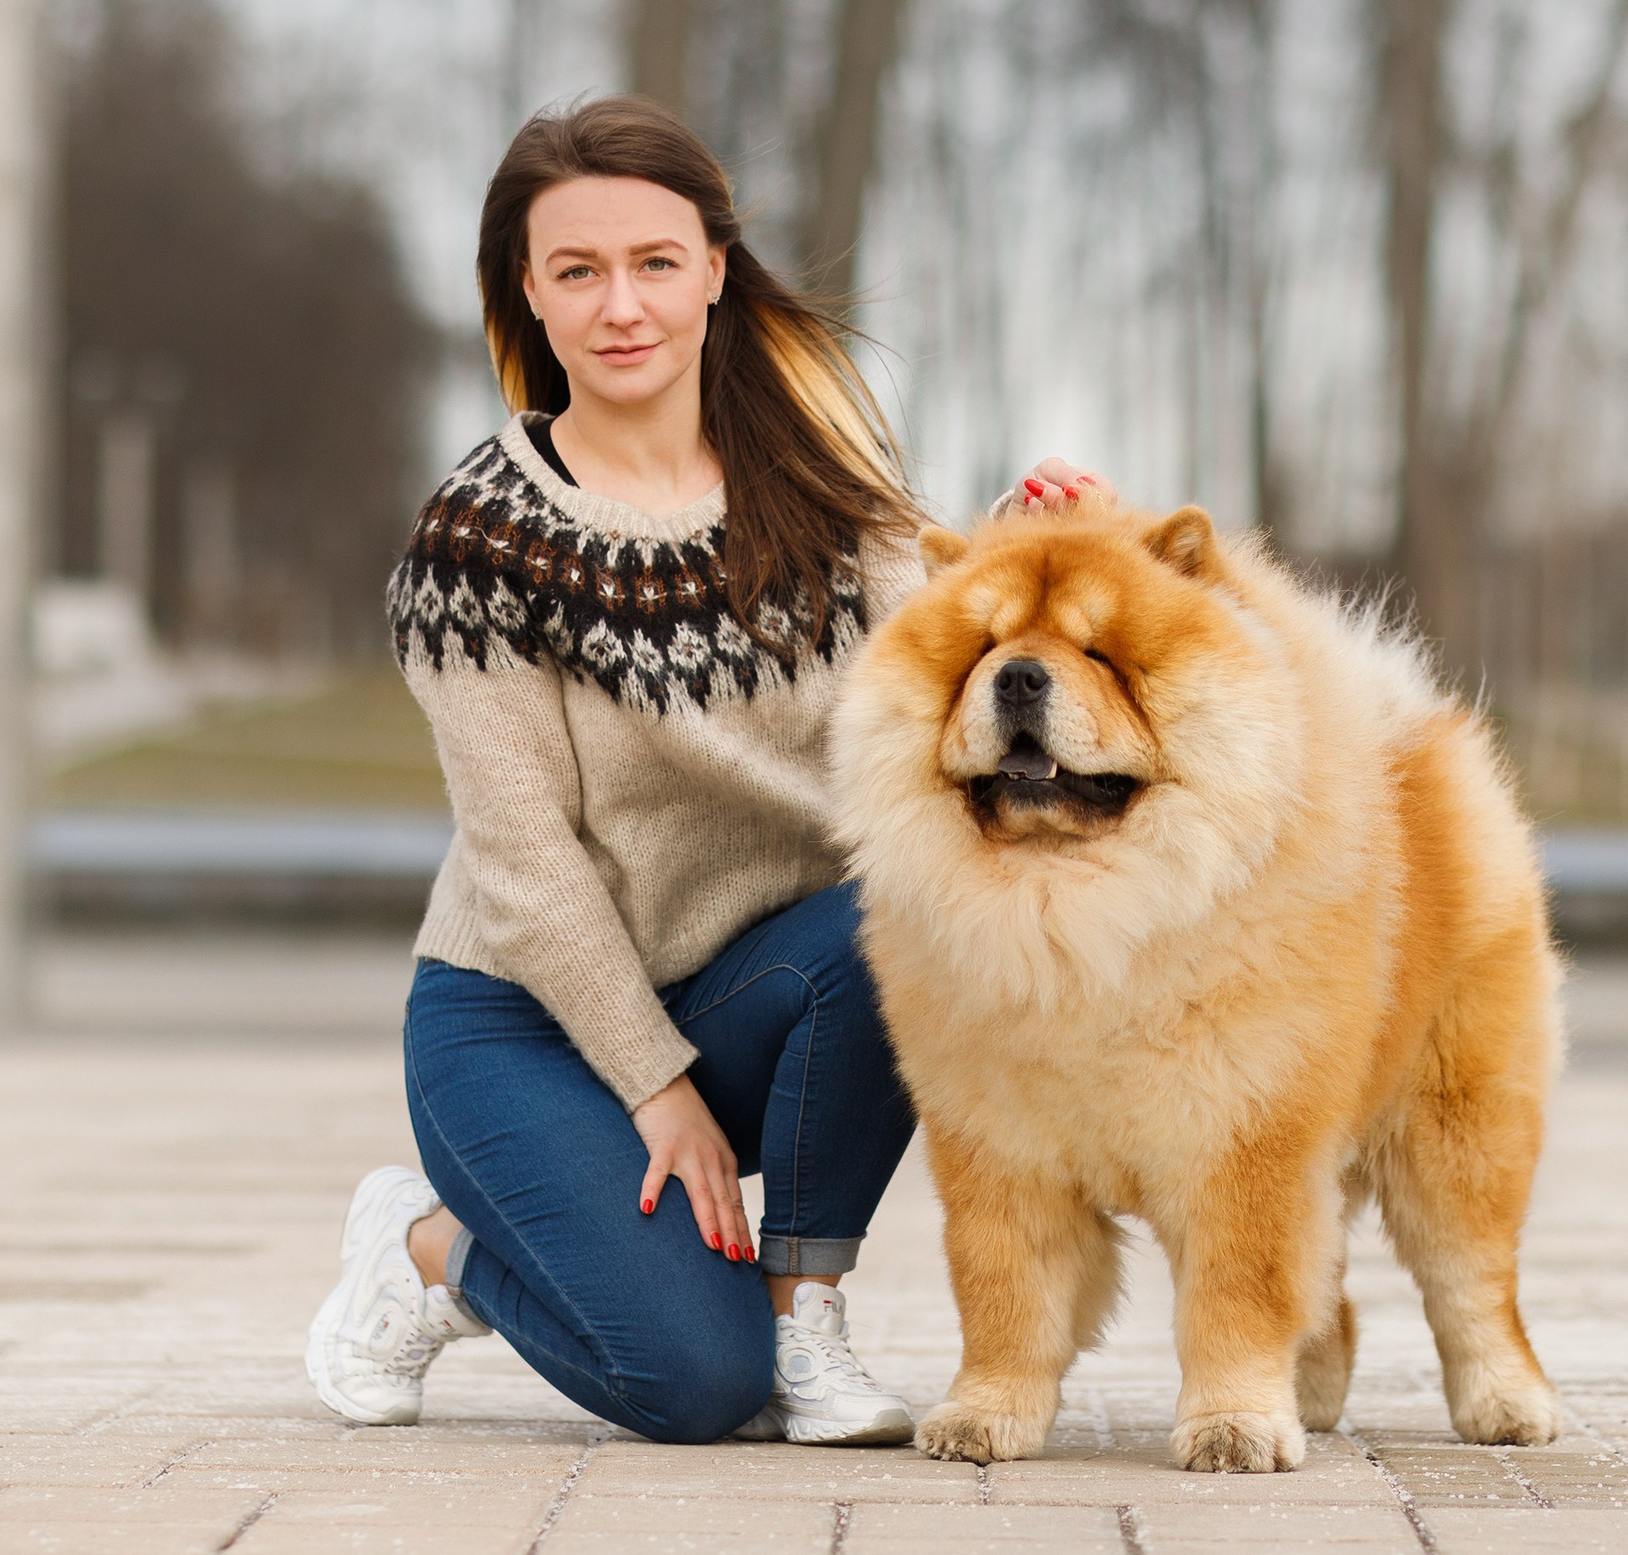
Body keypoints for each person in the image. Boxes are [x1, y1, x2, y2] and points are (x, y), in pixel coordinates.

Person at [306, 95, 1112, 1446]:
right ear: (529, 292)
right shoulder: (477, 541)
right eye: (579, 270)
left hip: (753, 991)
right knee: (690, 1382)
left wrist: (1035, 532)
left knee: (906, 906)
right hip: (523, 1021)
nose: (622, 305)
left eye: (655, 263)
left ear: (715, 273)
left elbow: (946, 640)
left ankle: (806, 1318)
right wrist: (654, 1086)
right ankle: (426, 1249)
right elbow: (525, 864)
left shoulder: (820, 488)